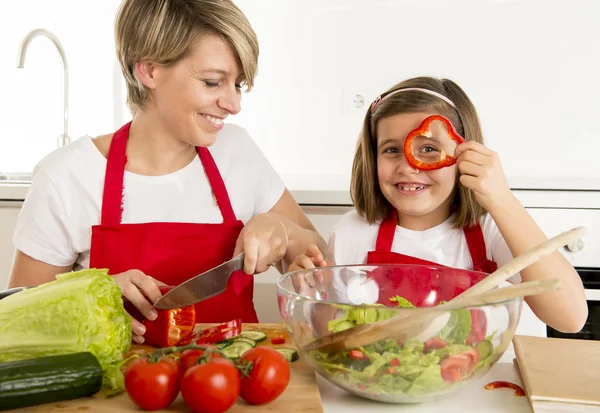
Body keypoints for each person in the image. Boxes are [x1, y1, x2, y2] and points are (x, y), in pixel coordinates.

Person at [8, 0, 326, 344]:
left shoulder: (237, 151)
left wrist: (284, 233)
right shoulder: (67, 176)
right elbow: (16, 322)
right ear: (149, 71)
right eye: (212, 82)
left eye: (238, 84)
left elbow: (319, 258)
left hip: (236, 384)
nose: (234, 105)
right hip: (117, 391)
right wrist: (89, 295)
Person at [289, 76, 587, 334]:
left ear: (464, 154)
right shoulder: (352, 234)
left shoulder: (493, 230)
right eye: (392, 149)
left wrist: (502, 199)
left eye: (429, 149)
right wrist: (313, 295)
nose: (409, 166)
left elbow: (571, 318)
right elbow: (336, 332)